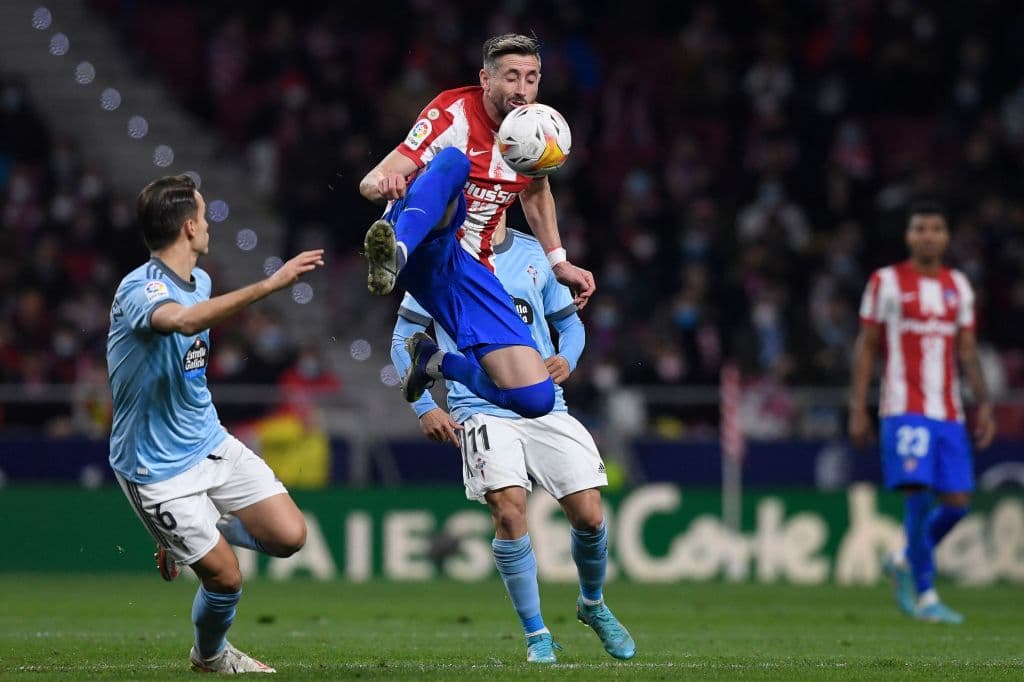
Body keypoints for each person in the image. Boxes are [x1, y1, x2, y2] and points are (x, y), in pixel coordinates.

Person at [106, 174, 324, 672]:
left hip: (207, 440)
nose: (208, 225)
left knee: (290, 537)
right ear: (188, 227)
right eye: (203, 217)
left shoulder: (199, 281)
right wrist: (271, 284)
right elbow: (182, 321)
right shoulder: (140, 290)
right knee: (226, 578)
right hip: (153, 466)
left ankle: (195, 534)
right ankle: (210, 658)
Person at [390, 220, 635, 664]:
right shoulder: (444, 254)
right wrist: (425, 406)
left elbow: (570, 325)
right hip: (478, 407)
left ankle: (593, 605)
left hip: (544, 405)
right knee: (508, 509)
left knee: (590, 516)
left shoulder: (537, 253)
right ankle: (537, 634)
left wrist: (568, 357)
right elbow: (401, 336)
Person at [359, 33, 595, 419]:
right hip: (422, 240)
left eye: (531, 78)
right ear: (486, 79)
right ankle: (392, 257)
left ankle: (434, 362)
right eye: (512, 77)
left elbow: (535, 192)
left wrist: (559, 261)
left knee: (535, 399)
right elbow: (372, 180)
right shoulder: (452, 112)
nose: (523, 89)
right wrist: (386, 186)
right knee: (454, 163)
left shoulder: (537, 130)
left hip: (468, 270)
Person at [849, 201, 996, 624]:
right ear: (909, 236)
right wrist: (858, 406)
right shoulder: (886, 282)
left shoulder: (959, 287)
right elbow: (868, 345)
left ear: (947, 237)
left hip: (947, 411)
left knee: (957, 502)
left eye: (936, 228)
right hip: (904, 407)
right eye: (920, 228)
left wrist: (983, 403)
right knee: (918, 493)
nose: (928, 236)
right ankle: (927, 596)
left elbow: (966, 351)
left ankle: (902, 556)